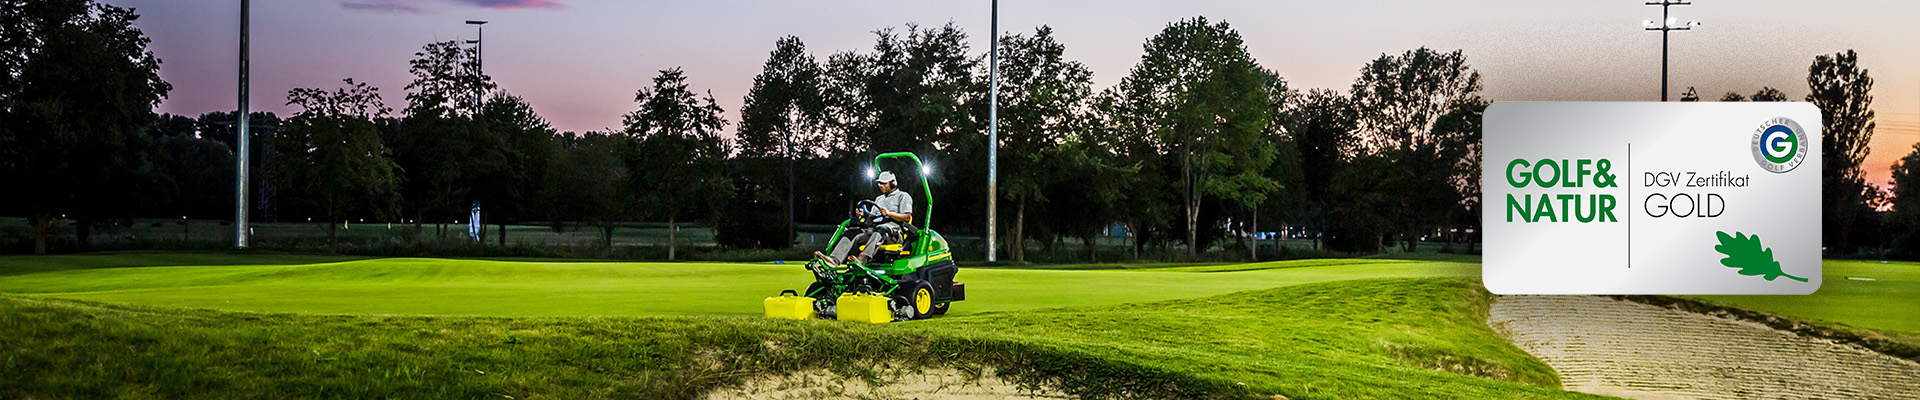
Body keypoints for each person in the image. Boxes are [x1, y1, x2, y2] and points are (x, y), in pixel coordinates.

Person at [817, 171, 913, 267]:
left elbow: (907, 217)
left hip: (894, 233)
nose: (881, 185)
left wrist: (889, 214)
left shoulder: (903, 196)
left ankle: (863, 259)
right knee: (852, 232)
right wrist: (863, 215)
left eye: (884, 183)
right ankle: (834, 260)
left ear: (893, 184)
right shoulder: (879, 199)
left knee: (881, 230)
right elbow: (873, 218)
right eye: (879, 183)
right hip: (875, 230)